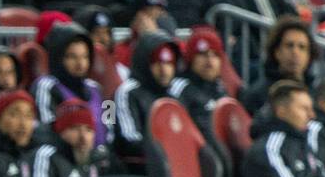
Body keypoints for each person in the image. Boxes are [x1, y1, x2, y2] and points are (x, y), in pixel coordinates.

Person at [34, 21, 106, 149]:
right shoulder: (46, 86)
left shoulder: (97, 88)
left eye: (85, 57)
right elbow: (47, 129)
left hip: (99, 161)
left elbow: (109, 122)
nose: (80, 63)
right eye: (72, 57)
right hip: (64, 161)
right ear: (58, 58)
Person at [113, 30, 180, 163]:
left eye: (169, 63)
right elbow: (130, 138)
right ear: (144, 62)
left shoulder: (174, 93)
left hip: (170, 163)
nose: (164, 70)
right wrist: (166, 150)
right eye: (157, 63)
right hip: (139, 167)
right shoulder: (126, 92)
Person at [239, 16, 317, 116]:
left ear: (309, 55)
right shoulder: (257, 95)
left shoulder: (316, 95)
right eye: (289, 45)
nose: (295, 52)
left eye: (302, 47)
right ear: (276, 52)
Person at [168, 25, 228, 136]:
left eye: (215, 55)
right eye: (203, 54)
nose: (210, 61)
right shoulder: (180, 88)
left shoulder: (221, 88)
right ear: (191, 58)